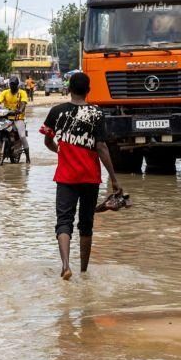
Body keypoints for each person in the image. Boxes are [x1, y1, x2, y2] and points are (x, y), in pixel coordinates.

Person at [41, 72, 122, 281]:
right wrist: (114, 179)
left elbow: (47, 140)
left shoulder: (56, 112)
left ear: (68, 89)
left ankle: (66, 266)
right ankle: (84, 271)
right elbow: (102, 147)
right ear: (88, 90)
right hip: (90, 178)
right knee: (86, 224)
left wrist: (59, 150)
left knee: (63, 222)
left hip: (66, 178)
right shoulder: (96, 113)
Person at [0, 77, 31, 163]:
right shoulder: (5, 92)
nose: (12, 86)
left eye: (14, 85)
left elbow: (23, 104)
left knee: (22, 136)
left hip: (18, 118)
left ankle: (28, 157)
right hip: (6, 118)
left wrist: (20, 110)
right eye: (11, 84)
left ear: (17, 85)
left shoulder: (22, 93)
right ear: (9, 84)